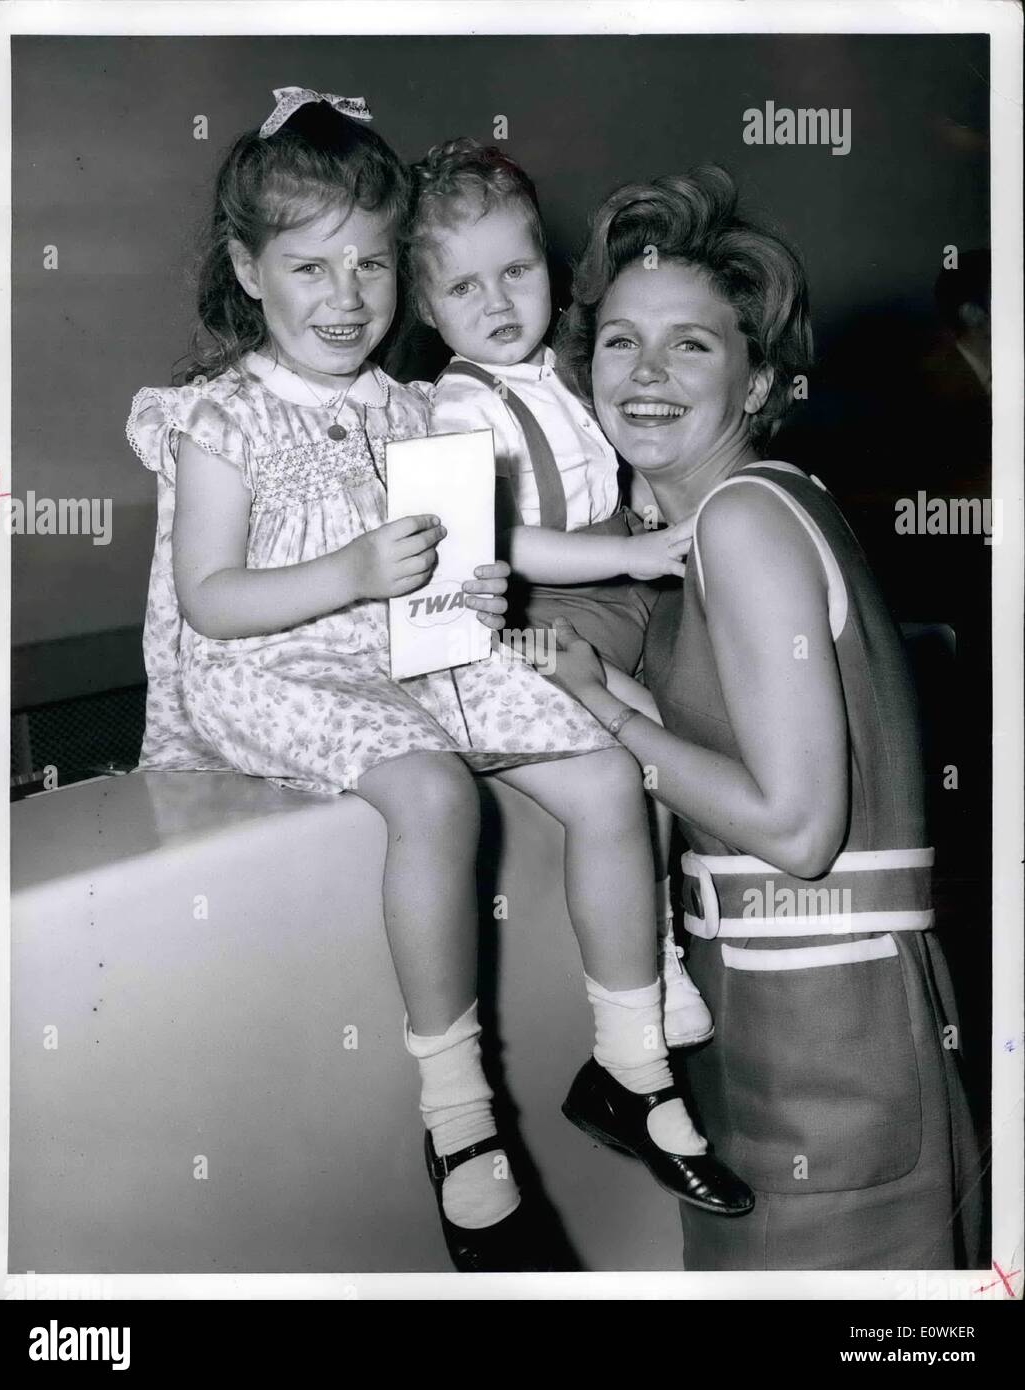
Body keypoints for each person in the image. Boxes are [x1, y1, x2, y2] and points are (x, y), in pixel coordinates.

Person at [125, 92, 752, 1273]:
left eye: (369, 264)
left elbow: (471, 557)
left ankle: (629, 1064)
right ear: (246, 272)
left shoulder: (413, 407)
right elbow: (211, 595)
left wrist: (465, 594)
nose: (346, 297)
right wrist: (348, 568)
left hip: (402, 655)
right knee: (431, 793)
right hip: (266, 663)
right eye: (309, 266)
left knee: (608, 764)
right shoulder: (221, 415)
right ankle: (459, 1121)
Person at [546, 165, 983, 1270]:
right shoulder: (738, 516)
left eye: (689, 344)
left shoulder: (742, 520)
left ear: (752, 382)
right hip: (787, 1016)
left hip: (823, 1035)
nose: (643, 374)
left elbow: (795, 830)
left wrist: (616, 721)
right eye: (617, 341)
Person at [406, 136, 712, 1048]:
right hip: (545, 617)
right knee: (642, 747)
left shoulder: (564, 372)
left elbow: (617, 471)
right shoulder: (457, 408)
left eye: (516, 271)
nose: (497, 303)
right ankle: (649, 967)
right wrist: (643, 554)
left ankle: (667, 943)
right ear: (426, 306)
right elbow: (504, 544)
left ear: (551, 267)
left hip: (621, 588)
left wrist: (653, 514)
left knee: (685, 733)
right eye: (464, 288)